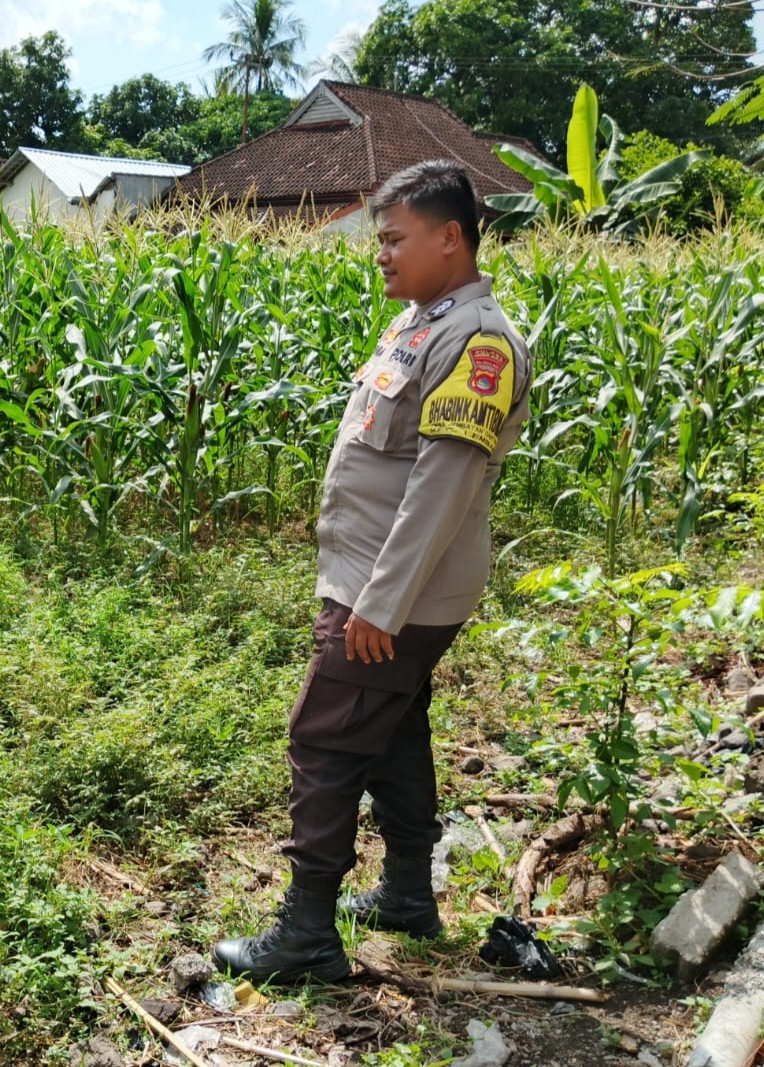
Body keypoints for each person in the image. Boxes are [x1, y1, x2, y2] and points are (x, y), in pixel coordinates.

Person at [211, 160, 533, 983]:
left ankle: (308, 934)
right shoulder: (423, 322)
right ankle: (406, 896)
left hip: (393, 591)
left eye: (395, 238)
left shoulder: (478, 339)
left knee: (322, 739)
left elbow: (443, 484)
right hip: (375, 580)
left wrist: (379, 605)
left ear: (450, 237)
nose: (381, 253)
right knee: (391, 732)